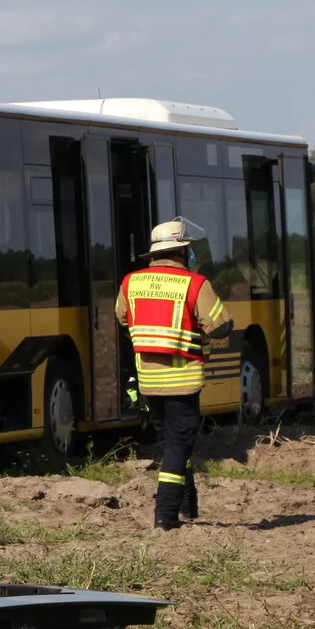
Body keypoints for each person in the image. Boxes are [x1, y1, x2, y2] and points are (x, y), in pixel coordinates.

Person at [115, 219, 234, 530]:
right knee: (178, 445)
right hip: (183, 382)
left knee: (172, 443)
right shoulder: (195, 284)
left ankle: (187, 506)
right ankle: (166, 516)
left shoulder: (130, 282)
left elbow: (123, 317)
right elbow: (221, 327)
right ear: (182, 251)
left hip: (149, 382)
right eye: (189, 249)